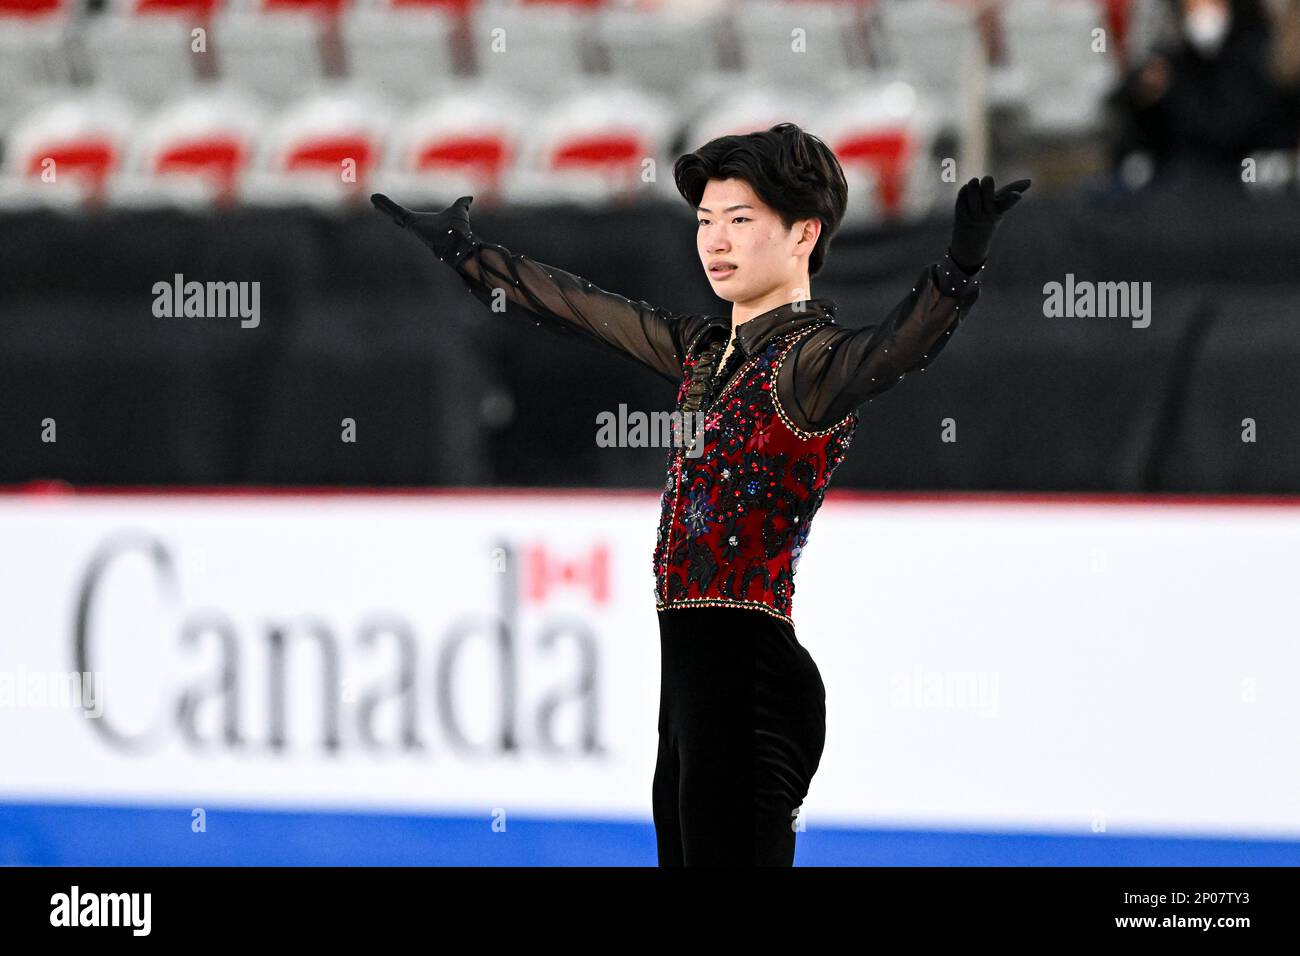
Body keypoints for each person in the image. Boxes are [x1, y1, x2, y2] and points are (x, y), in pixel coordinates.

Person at [372, 123, 1029, 866]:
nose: (715, 241)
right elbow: (577, 308)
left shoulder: (808, 365)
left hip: (750, 694)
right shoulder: (705, 353)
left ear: (803, 233)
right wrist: (466, 253)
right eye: (705, 222)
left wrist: (958, 265)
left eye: (740, 221)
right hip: (687, 704)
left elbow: (895, 349)